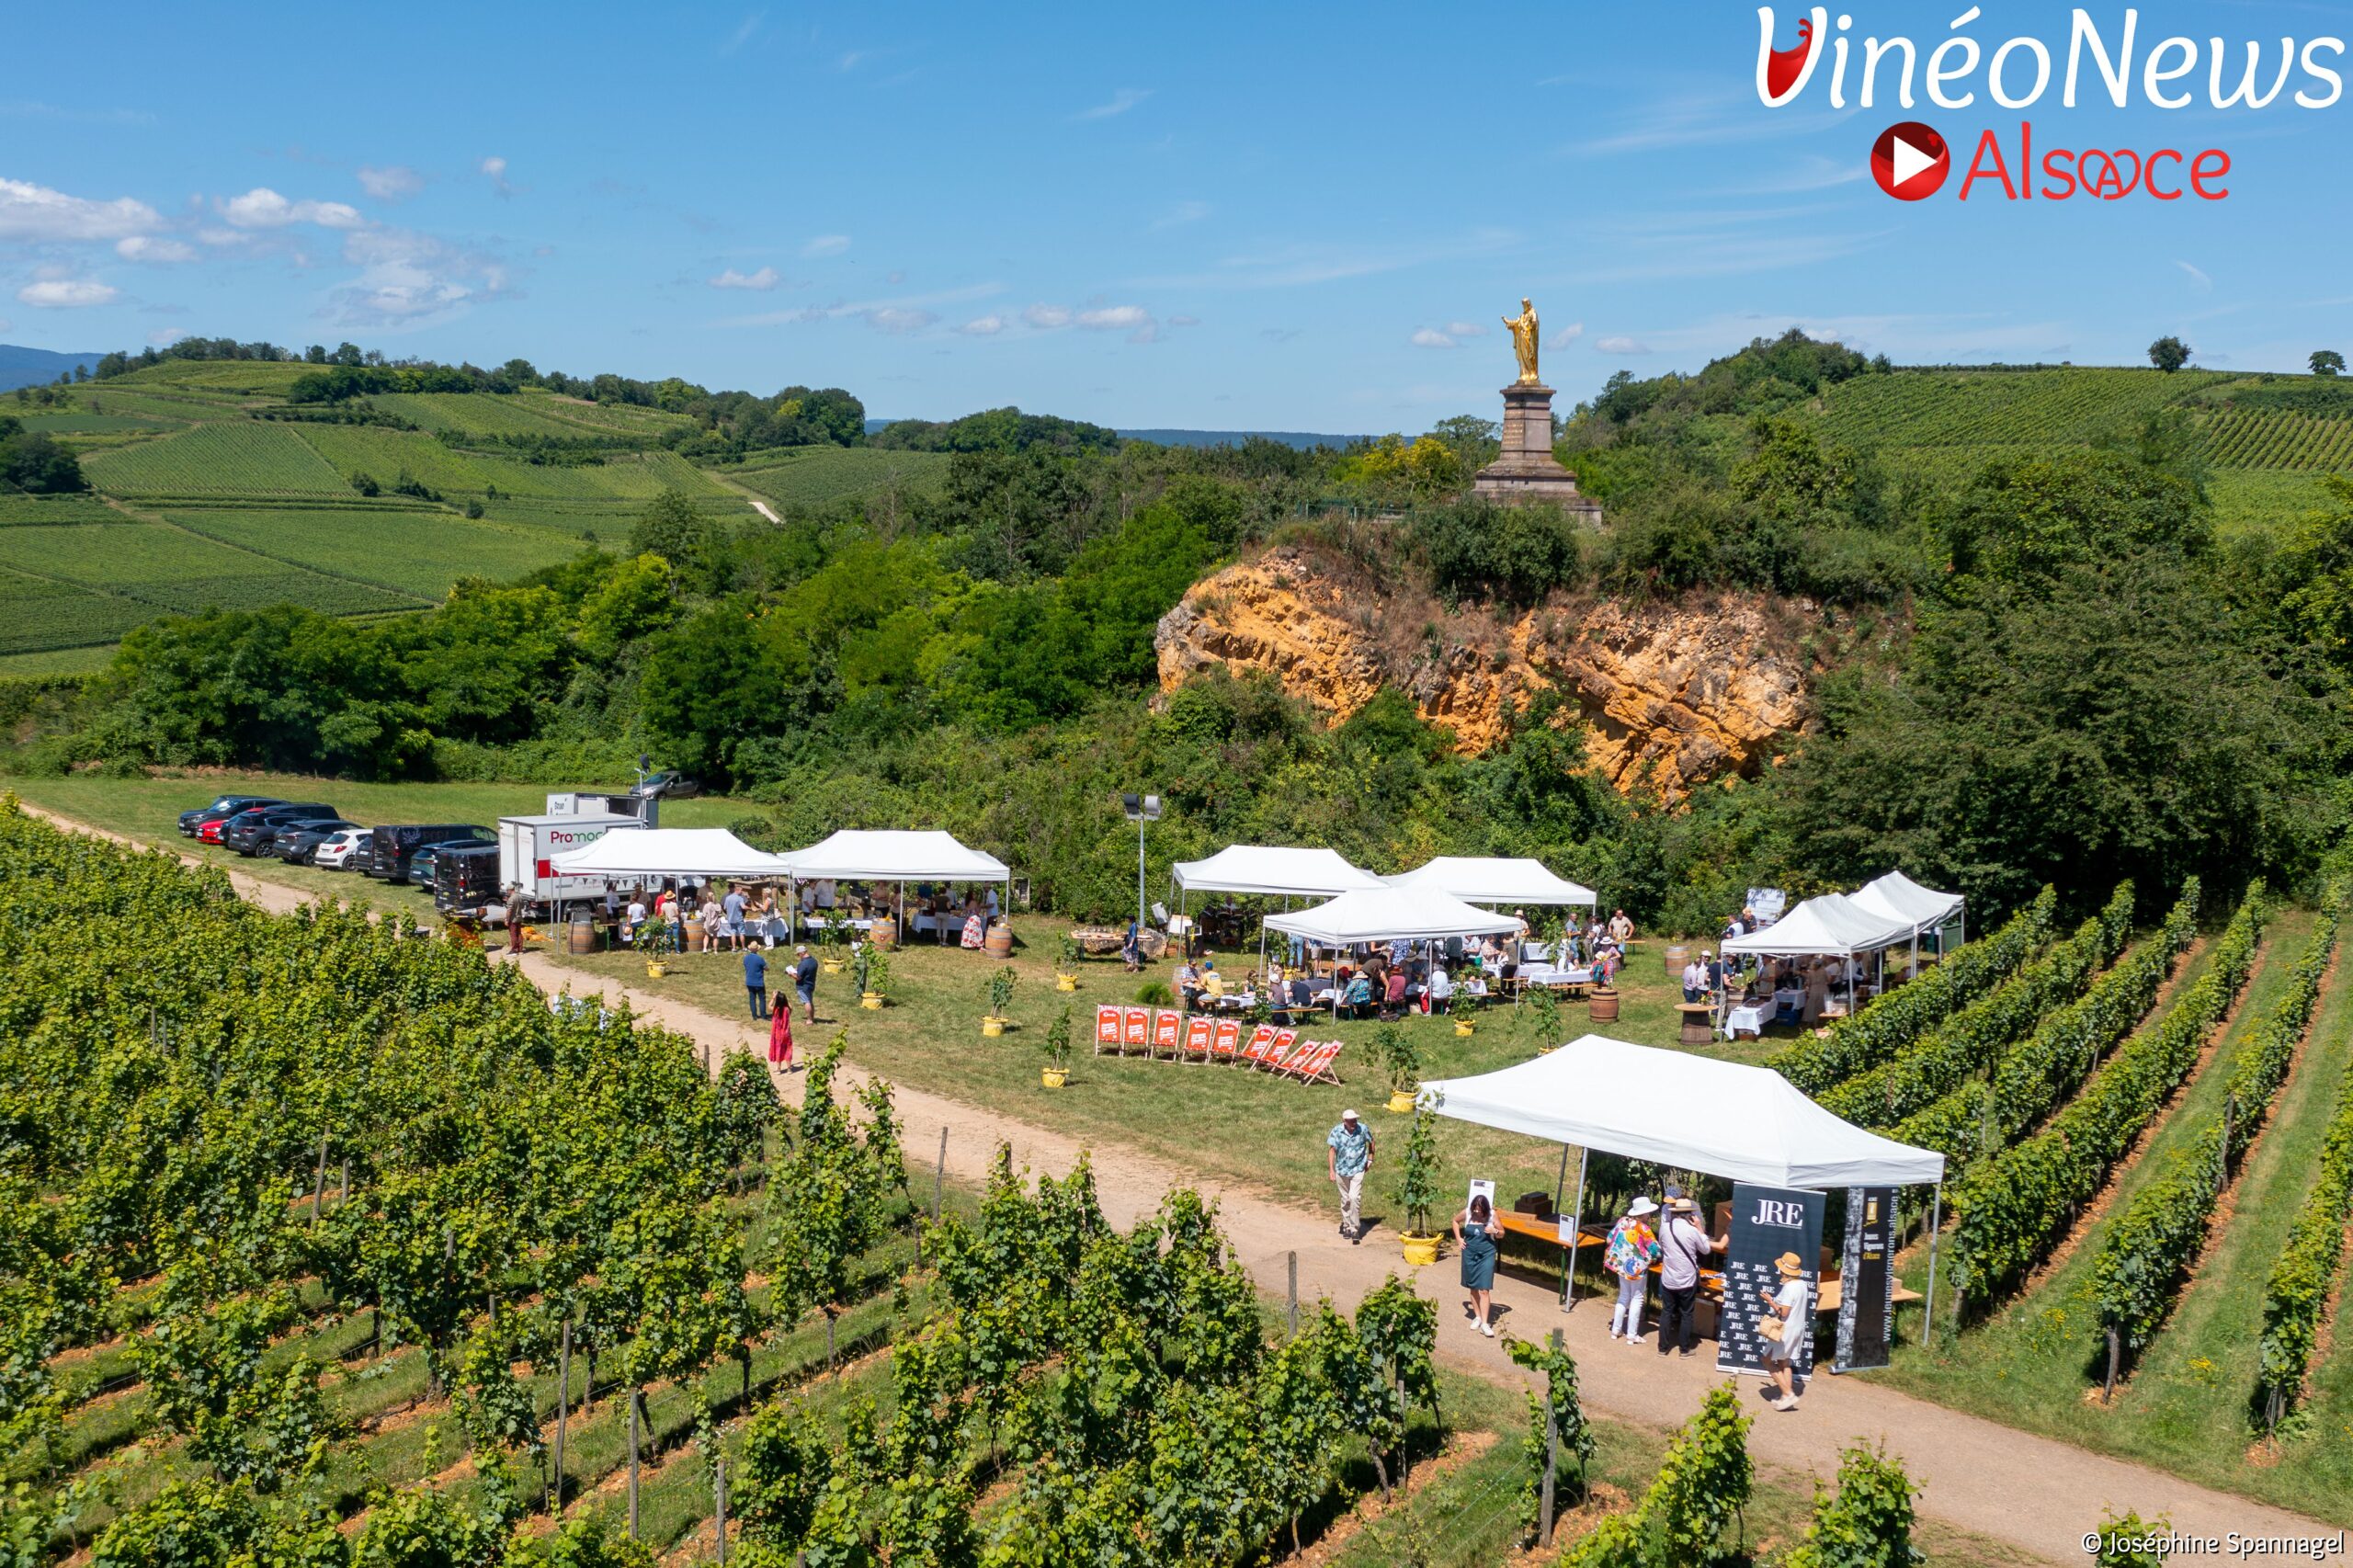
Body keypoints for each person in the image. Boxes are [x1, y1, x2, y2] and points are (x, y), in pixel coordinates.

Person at [1657, 1197, 1728, 1358]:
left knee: (1666, 1311)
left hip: (1668, 1276)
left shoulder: (1664, 1228)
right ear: (1689, 1214)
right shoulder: (1692, 1230)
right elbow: (1705, 1249)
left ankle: (1662, 1348)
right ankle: (1684, 1349)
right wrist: (1699, 1227)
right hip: (1686, 1279)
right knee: (1686, 1314)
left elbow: (1663, 1246)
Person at [1605, 1197, 1663, 1344]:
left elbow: (1609, 1238)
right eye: (1648, 1213)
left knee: (1623, 1296)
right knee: (1637, 1298)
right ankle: (1632, 1334)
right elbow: (1656, 1250)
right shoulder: (1644, 1229)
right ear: (1643, 1214)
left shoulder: (1622, 1222)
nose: (1649, 1216)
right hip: (1637, 1268)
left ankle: (1616, 1330)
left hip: (1620, 1265)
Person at [1760, 1251, 1812, 1411]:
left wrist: (1770, 1301)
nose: (1779, 1272)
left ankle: (1788, 1393)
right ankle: (1785, 1397)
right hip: (1797, 1329)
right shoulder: (1803, 1285)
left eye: (1781, 1269)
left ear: (1785, 1271)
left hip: (1785, 1331)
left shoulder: (1789, 1288)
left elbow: (1784, 1313)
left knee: (1766, 1360)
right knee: (1785, 1362)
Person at [1454, 1194, 1504, 1337]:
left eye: (1480, 1210)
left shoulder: (1492, 1215)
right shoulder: (1468, 1212)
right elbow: (1455, 1221)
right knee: (1473, 1287)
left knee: (1484, 1289)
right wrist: (1459, 1239)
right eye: (1475, 1209)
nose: (1477, 1212)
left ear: (1485, 1209)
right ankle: (1477, 1316)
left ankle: (1485, 1324)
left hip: (1487, 1254)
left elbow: (1502, 1233)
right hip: (1469, 1253)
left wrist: (1495, 1231)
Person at [1326, 1110, 1374, 1243]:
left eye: (1355, 1120)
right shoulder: (1337, 1131)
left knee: (1354, 1197)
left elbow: (1371, 1141)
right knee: (1346, 1198)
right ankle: (1346, 1225)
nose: (1354, 1123)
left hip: (1358, 1168)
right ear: (1344, 1121)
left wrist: (1370, 1159)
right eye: (1351, 1120)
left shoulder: (1363, 1129)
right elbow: (1332, 1150)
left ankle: (1355, 1229)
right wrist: (1331, 1170)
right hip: (1341, 1170)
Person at [767, 993, 796, 1070]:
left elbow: (769, 1006)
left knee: (778, 1050)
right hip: (786, 1034)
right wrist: (785, 999)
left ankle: (778, 1069)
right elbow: (790, 1006)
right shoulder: (787, 1009)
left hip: (778, 1034)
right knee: (788, 1049)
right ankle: (789, 1069)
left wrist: (773, 997)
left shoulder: (776, 1009)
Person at [792, 943, 819, 1024]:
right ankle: (812, 1018)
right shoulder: (814, 961)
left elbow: (798, 977)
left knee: (806, 1002)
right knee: (810, 1002)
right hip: (811, 984)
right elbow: (807, 970)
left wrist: (790, 973)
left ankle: (809, 1020)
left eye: (798, 954)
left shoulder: (803, 963)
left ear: (801, 953)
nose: (798, 956)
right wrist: (798, 969)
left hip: (803, 986)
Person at [743, 944, 768, 1021]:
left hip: (749, 981)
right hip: (758, 982)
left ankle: (754, 1016)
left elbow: (745, 966)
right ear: (757, 949)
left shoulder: (746, 958)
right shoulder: (760, 958)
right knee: (762, 999)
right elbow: (766, 968)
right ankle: (763, 1015)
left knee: (752, 999)